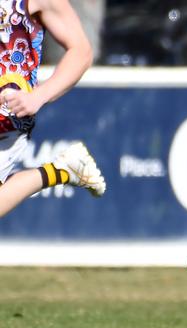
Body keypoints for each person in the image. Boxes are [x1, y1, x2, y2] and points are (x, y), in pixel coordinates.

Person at [0, 0, 106, 217]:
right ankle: (61, 170)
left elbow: (82, 51)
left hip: (7, 113)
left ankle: (60, 171)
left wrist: (38, 96)